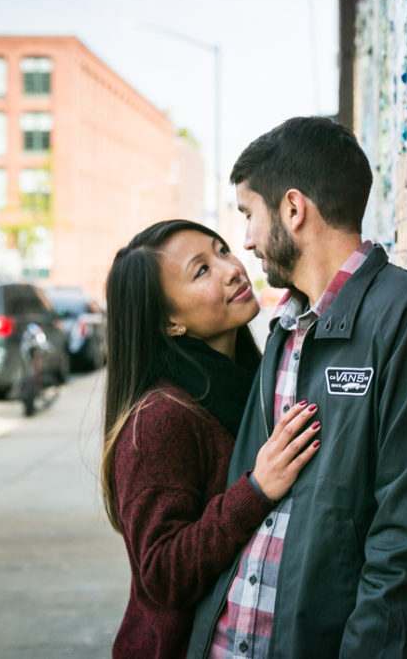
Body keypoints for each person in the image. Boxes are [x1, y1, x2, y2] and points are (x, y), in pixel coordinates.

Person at [187, 117, 407, 658]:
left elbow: (405, 531)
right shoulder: (282, 327)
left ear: (293, 209)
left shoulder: (400, 311)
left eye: (249, 214)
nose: (248, 240)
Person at [101, 220, 323, 659]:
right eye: (200, 270)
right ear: (170, 321)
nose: (231, 269)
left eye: (221, 250)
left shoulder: (250, 379)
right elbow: (162, 573)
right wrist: (255, 491)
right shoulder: (160, 418)